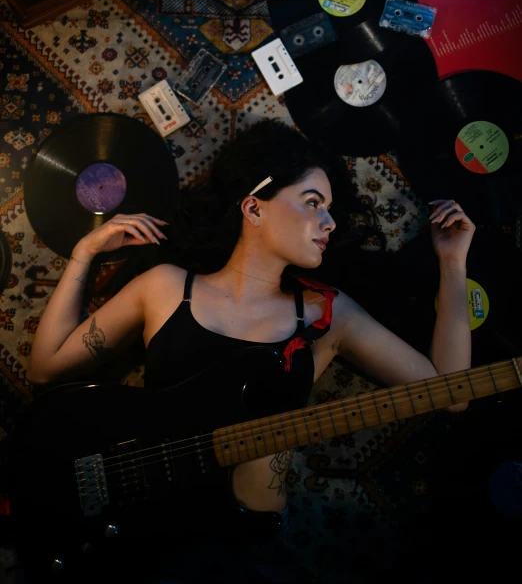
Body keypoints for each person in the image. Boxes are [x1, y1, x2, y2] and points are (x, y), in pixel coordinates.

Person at [26, 119, 475, 582]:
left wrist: (452, 263)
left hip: (238, 550)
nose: (330, 222)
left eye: (331, 208)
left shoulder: (326, 315)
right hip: (139, 527)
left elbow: (453, 393)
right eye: (313, 203)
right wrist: (85, 253)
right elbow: (45, 369)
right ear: (254, 209)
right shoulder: (165, 288)